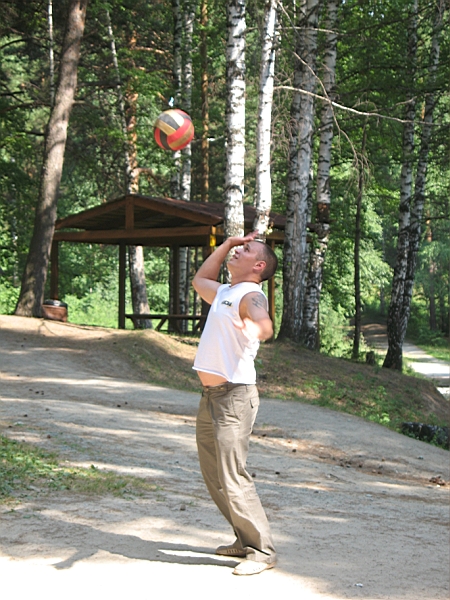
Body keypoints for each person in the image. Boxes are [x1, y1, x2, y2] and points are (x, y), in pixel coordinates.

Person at [192, 231, 278, 576]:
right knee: (214, 474)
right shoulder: (225, 292)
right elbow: (200, 280)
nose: (239, 250)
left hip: (234, 397)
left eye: (246, 249)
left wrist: (258, 329)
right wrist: (226, 245)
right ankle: (244, 539)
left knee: (232, 474)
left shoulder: (250, 295)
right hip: (212, 397)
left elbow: (264, 324)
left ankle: (262, 550)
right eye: (238, 247)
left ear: (259, 266)